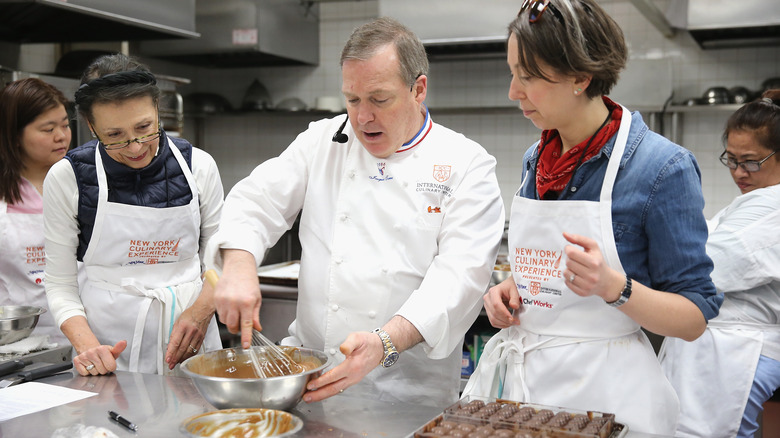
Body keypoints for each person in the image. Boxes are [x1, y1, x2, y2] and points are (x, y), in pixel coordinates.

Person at [206, 17, 505, 407]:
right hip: (308, 381)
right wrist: (241, 266)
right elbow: (256, 201)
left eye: (379, 99)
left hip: (407, 395)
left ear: (419, 89)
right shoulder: (323, 140)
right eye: (352, 99)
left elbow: (458, 281)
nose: (362, 118)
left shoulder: (466, 164)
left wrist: (383, 343)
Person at [461, 1, 722, 435]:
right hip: (525, 395)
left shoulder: (660, 168)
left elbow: (694, 316)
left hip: (607, 400)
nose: (513, 91)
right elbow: (550, 280)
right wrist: (514, 290)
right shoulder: (537, 159)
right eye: (513, 73)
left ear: (582, 78)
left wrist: (615, 288)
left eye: (528, 77)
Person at [43, 54, 224, 376]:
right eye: (114, 136)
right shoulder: (67, 177)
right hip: (108, 347)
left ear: (158, 110)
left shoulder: (199, 165)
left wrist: (201, 313)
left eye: (144, 128)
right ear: (90, 126)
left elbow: (220, 260)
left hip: (193, 341)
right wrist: (88, 347)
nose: (135, 147)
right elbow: (59, 282)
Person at [660, 90, 780, 438]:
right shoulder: (750, 203)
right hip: (717, 353)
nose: (739, 173)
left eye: (751, 161)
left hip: (737, 353)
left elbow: (706, 264)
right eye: (731, 160)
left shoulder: (772, 208)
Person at [0, 78, 72, 346]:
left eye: (65, 125)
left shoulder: (81, 183)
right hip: (13, 341)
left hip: (84, 338)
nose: (61, 136)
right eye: (48, 129)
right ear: (15, 136)